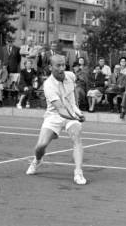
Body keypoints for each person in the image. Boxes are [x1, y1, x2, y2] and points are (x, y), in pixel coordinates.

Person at [26, 55, 86, 185]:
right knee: (40, 146)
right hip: (54, 115)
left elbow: (74, 90)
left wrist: (76, 107)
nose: (62, 68)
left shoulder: (70, 76)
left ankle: (78, 172)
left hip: (71, 112)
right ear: (50, 67)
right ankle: (37, 160)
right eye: (58, 65)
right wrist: (76, 116)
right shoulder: (48, 85)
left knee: (77, 137)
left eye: (63, 65)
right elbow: (60, 109)